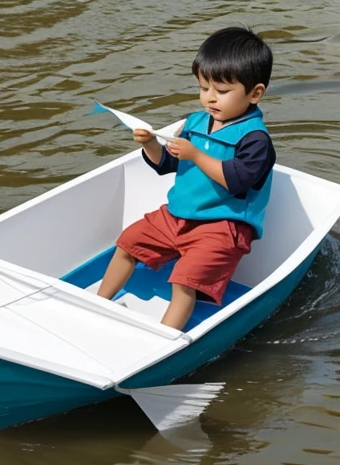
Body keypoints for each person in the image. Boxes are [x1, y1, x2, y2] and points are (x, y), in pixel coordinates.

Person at [97, 26, 276, 330]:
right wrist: (150, 143)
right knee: (128, 242)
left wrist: (195, 154)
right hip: (177, 216)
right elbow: (166, 163)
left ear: (255, 93)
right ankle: (97, 303)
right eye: (204, 87)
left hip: (222, 226)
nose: (210, 98)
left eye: (221, 91)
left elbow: (236, 181)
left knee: (183, 279)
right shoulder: (196, 122)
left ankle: (164, 338)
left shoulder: (256, 140)